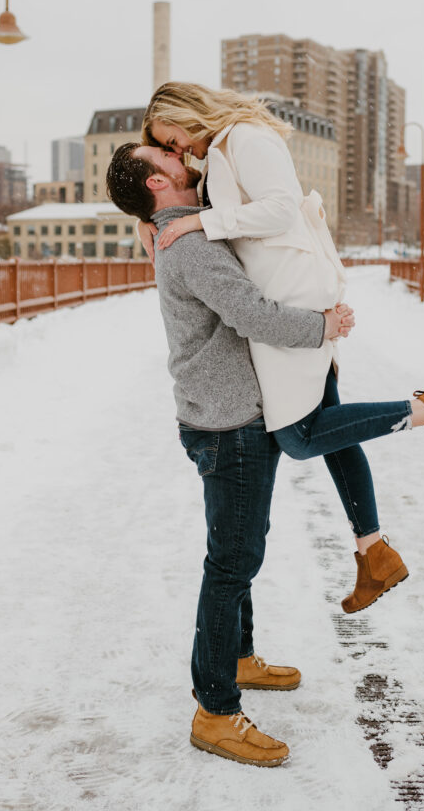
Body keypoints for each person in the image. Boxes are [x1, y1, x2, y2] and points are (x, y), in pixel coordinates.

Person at [138, 82, 424, 614]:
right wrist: (152, 221)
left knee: (298, 436)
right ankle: (373, 552)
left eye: (175, 138)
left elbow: (280, 211)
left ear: (190, 115)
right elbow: (179, 202)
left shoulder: (248, 137)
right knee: (329, 422)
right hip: (278, 289)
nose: (181, 150)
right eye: (170, 148)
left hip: (290, 292)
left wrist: (201, 220)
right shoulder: (221, 152)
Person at [106, 140, 344, 767]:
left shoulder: (181, 230)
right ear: (158, 185)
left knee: (238, 545)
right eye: (165, 157)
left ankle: (238, 657)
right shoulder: (188, 244)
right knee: (232, 560)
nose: (178, 155)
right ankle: (215, 710)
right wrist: (325, 326)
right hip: (229, 424)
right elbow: (252, 314)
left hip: (220, 414)